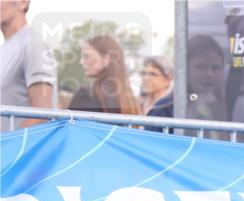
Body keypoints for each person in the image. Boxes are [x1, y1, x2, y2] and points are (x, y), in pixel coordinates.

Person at [0, 0, 57, 128]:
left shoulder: (33, 43)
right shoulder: (5, 49)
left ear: (22, 2)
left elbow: (43, 114)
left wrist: (10, 144)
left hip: (20, 147)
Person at [68, 35, 140, 115]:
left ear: (106, 59)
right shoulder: (129, 98)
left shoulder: (87, 94)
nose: (81, 62)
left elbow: (68, 125)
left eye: (87, 56)